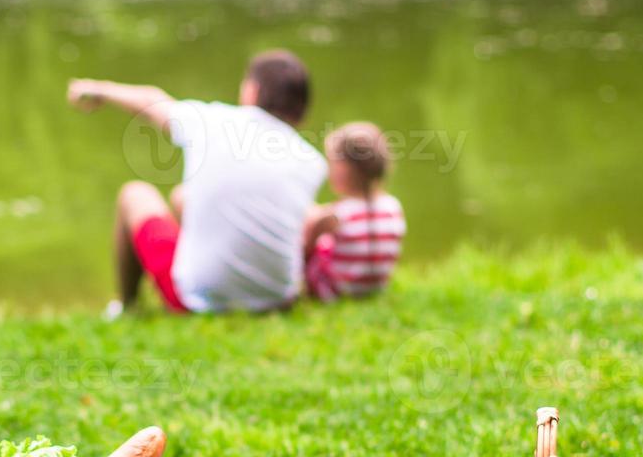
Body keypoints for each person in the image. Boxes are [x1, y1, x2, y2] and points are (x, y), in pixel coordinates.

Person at [67, 50, 327, 317]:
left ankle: (127, 306)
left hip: (197, 300)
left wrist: (99, 89)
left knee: (135, 194)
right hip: (276, 299)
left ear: (252, 91)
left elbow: (151, 101)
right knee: (183, 196)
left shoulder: (212, 121)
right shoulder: (312, 162)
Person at [301, 122, 406, 301]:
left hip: (337, 291)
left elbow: (306, 248)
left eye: (332, 163)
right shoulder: (393, 206)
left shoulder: (338, 215)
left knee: (314, 232)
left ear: (345, 170)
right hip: (377, 286)